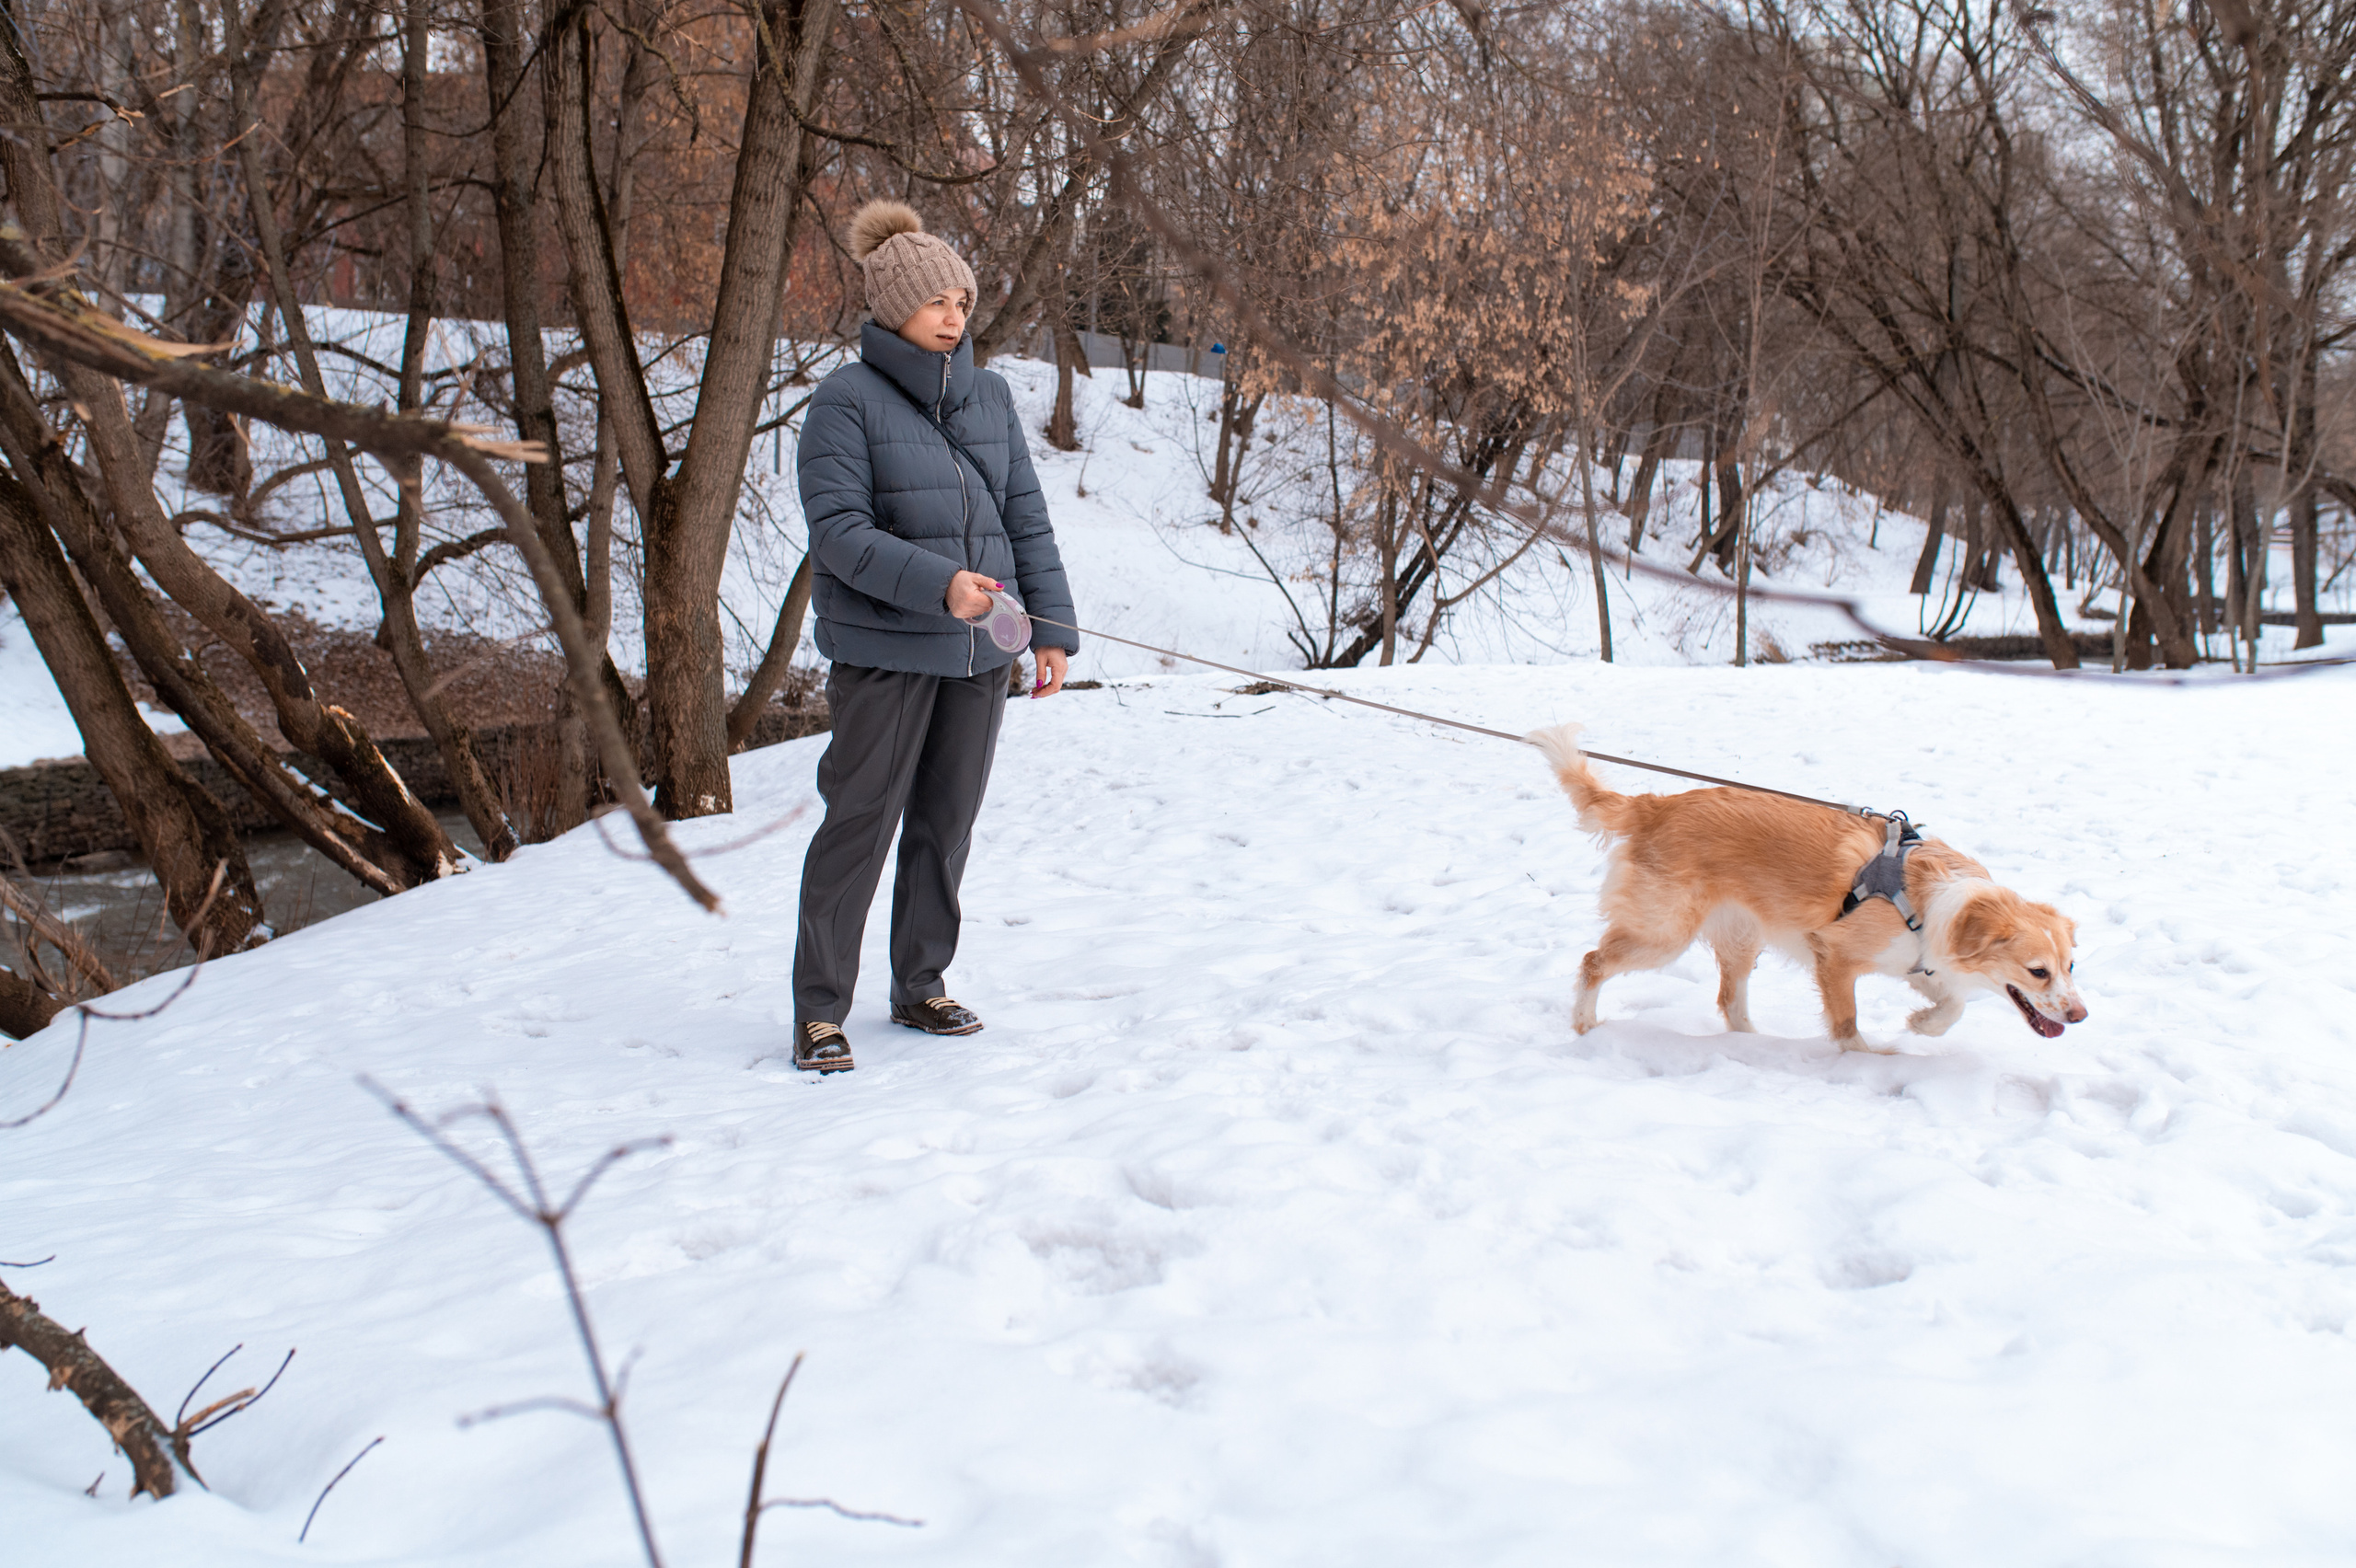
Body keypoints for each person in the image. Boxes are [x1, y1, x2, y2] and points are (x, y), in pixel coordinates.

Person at [787, 201, 1078, 1074]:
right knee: (860, 824)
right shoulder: (843, 404)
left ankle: (920, 984)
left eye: (963, 299)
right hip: (884, 651)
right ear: (891, 307)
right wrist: (937, 586)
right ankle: (817, 1011)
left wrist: (1051, 630)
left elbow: (1026, 516)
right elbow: (838, 532)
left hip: (980, 652)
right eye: (938, 300)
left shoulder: (988, 396)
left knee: (946, 823)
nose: (956, 315)